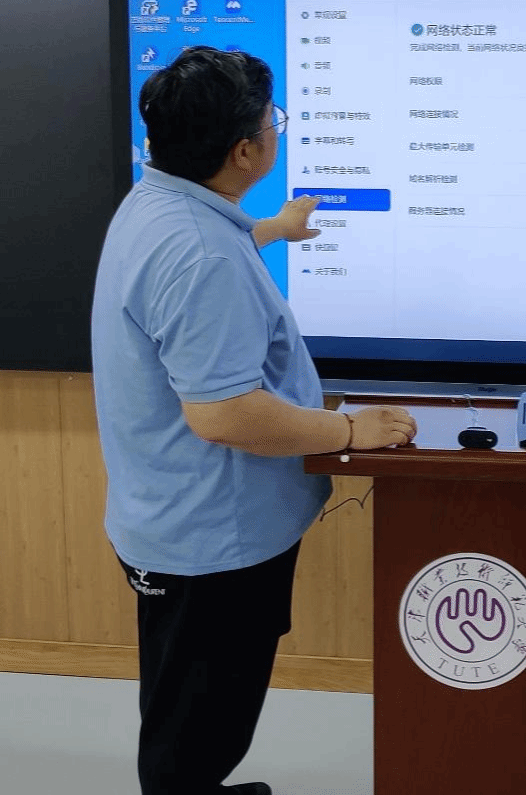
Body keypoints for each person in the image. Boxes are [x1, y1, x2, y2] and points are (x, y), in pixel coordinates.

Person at [91, 46, 417, 795]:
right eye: (273, 122)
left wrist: (272, 228)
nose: (276, 130)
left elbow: (194, 266)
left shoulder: (158, 202)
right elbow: (224, 414)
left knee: (183, 701)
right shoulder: (202, 255)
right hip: (215, 539)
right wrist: (348, 432)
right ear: (245, 151)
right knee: (199, 728)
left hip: (171, 518)